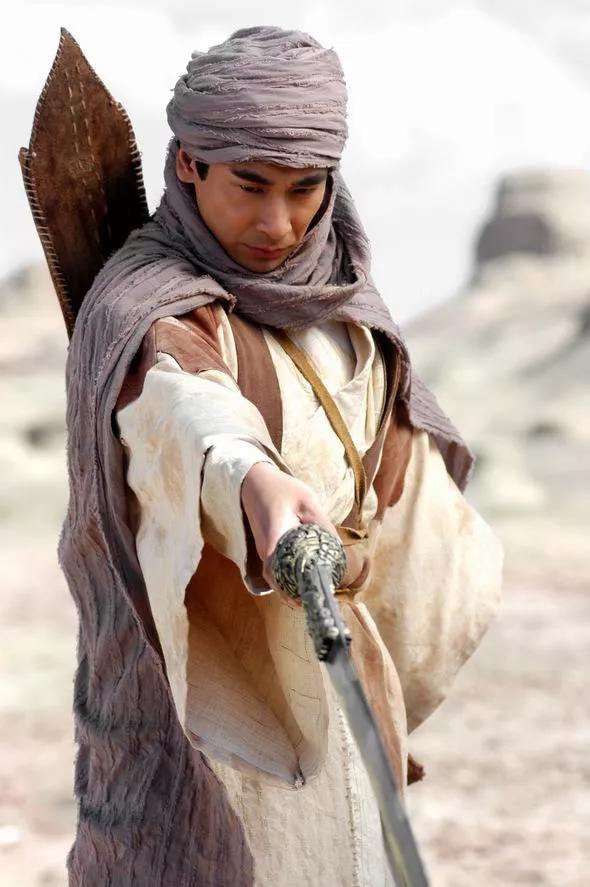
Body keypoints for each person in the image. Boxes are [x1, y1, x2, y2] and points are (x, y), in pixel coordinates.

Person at [57, 26, 503, 886]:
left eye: (305, 189)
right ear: (189, 164)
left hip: (340, 662)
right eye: (250, 186)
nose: (278, 223)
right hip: (218, 685)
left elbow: (391, 463)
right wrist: (253, 478)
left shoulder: (344, 301)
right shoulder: (148, 305)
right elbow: (183, 407)